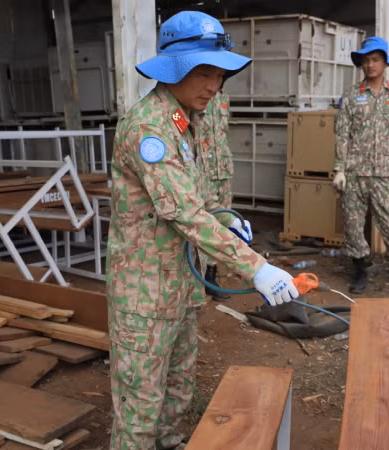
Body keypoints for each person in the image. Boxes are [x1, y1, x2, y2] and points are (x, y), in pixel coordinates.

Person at [105, 11, 300, 450]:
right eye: (204, 73)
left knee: (176, 397)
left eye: (219, 74)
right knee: (139, 412)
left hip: (179, 289)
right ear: (175, 69)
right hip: (145, 298)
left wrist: (226, 217)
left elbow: (199, 200)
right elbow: (185, 214)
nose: (214, 85)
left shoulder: (186, 123)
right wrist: (257, 269)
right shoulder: (149, 128)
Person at [332, 36, 389, 294]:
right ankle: (360, 269)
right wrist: (339, 169)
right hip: (355, 173)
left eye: (375, 60)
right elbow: (342, 134)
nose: (370, 65)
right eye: (366, 60)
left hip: (383, 173)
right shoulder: (351, 96)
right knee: (353, 224)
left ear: (384, 63)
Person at [198, 88, 234, 300]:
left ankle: (212, 273)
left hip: (223, 169)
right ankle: (202, 276)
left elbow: (223, 133)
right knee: (204, 223)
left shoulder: (223, 97)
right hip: (203, 170)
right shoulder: (195, 96)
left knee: (222, 224)